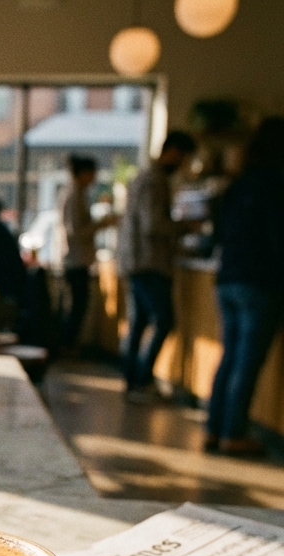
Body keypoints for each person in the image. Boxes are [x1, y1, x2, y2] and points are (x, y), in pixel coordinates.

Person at [205, 117, 284, 456]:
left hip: (228, 277)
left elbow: (217, 235)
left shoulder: (237, 185)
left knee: (230, 357)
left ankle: (214, 429)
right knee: (246, 361)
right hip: (260, 280)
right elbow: (279, 239)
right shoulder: (277, 185)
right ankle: (233, 433)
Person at [117, 129, 198, 400]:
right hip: (149, 263)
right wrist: (184, 227)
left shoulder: (145, 177)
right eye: (184, 158)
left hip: (136, 261)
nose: (184, 165)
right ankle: (141, 380)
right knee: (163, 321)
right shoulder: (155, 181)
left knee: (138, 323)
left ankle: (133, 383)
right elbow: (153, 225)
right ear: (174, 152)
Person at [61, 154, 116, 351]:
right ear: (84, 173)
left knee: (77, 308)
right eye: (92, 173)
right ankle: (67, 349)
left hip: (76, 260)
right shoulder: (74, 195)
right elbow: (76, 232)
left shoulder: (77, 193)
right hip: (75, 261)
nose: (94, 178)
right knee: (76, 309)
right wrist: (101, 224)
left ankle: (68, 348)